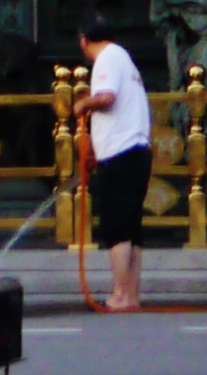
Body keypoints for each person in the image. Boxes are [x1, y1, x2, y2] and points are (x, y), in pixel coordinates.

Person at [75, 17, 151, 313]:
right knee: (131, 227)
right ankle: (131, 294)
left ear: (84, 39)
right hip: (136, 150)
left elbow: (107, 98)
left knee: (117, 225)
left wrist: (83, 104)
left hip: (120, 154)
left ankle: (120, 294)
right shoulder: (123, 58)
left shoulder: (107, 58)